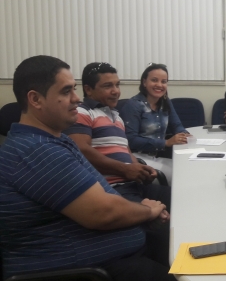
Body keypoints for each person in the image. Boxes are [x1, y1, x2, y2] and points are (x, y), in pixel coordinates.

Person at [0, 55, 174, 281]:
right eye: (66, 92)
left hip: (116, 254)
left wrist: (140, 209)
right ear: (35, 99)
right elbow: (103, 212)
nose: (76, 99)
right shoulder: (36, 150)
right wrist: (146, 211)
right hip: (90, 272)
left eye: (74, 89)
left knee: (191, 248)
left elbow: (105, 195)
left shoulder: (57, 141)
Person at [64, 62, 171, 267]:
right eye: (107, 86)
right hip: (113, 189)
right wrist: (125, 169)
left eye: (117, 85)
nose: (116, 92)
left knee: (180, 202)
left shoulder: (115, 115)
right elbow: (82, 150)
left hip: (133, 183)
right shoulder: (83, 113)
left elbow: (125, 150)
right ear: (88, 89)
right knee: (165, 229)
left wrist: (139, 168)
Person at [120, 63, 190, 185]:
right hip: (136, 159)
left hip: (155, 157)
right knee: (181, 178)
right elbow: (130, 140)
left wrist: (183, 133)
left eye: (164, 81)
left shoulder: (165, 102)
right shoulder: (134, 105)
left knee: (187, 169)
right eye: (154, 80)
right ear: (144, 82)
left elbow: (176, 125)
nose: (159, 85)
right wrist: (166, 143)